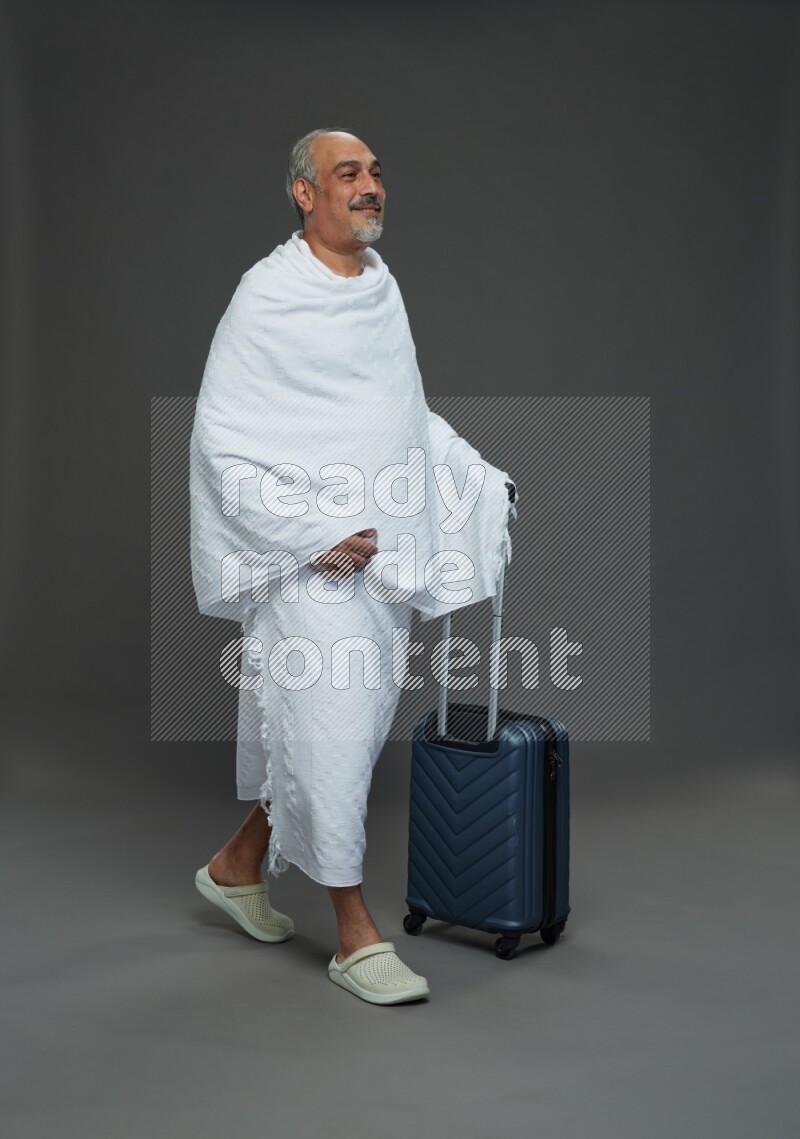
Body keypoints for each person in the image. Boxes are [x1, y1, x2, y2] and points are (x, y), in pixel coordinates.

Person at [190, 127, 518, 1005]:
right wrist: (306, 536)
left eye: (376, 173)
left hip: (381, 557)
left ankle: (235, 867)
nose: (371, 186)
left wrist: (474, 478)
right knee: (330, 734)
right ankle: (352, 929)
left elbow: (402, 421)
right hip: (310, 565)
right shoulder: (267, 296)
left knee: (339, 735)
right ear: (305, 193)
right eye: (349, 174)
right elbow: (222, 441)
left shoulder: (380, 288)